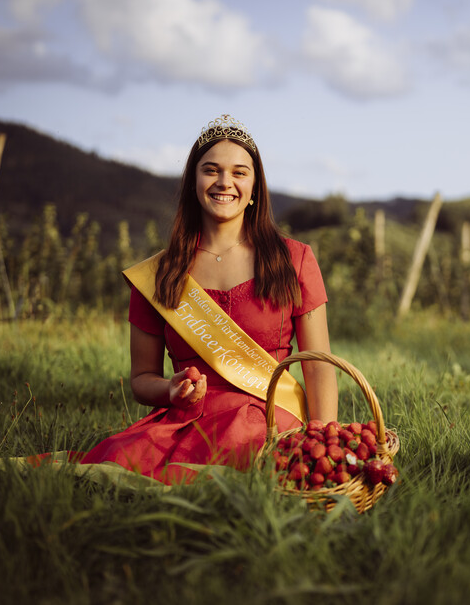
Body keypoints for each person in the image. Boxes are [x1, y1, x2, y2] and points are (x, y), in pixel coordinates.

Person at [77, 114, 338, 484]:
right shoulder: (160, 274)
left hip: (268, 418)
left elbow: (318, 366)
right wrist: (170, 389)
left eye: (239, 172)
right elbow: (141, 379)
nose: (224, 182)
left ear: (255, 188)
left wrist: (323, 442)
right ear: (194, 182)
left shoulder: (294, 259)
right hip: (186, 422)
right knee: (116, 469)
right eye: (211, 170)